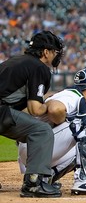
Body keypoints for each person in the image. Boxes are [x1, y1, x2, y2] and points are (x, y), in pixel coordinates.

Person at [0, 31, 64, 197]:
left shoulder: (15, 60)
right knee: (41, 131)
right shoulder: (39, 67)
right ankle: (34, 184)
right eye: (55, 52)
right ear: (45, 52)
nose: (56, 55)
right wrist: (49, 104)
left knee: (25, 125)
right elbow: (35, 109)